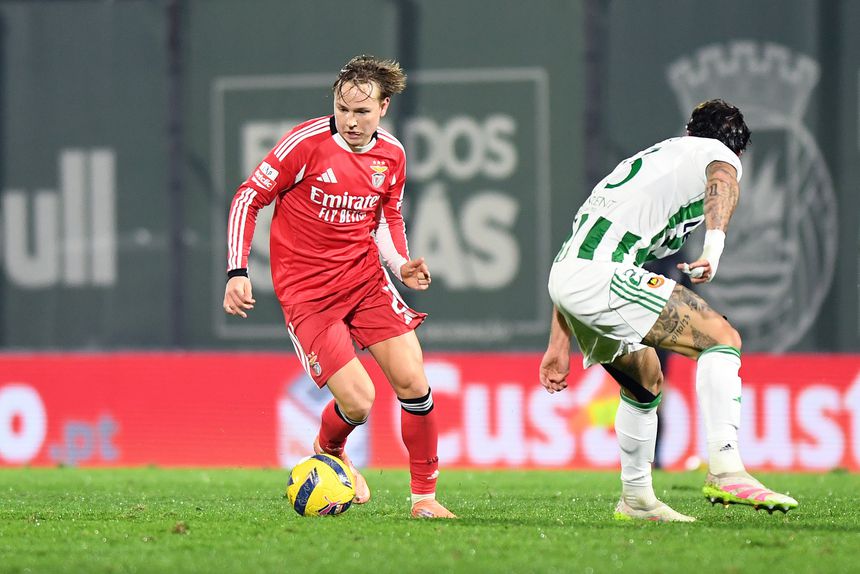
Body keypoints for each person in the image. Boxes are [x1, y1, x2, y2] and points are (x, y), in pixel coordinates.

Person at [539, 99, 798, 522]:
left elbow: (576, 248)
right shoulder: (716, 154)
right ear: (736, 148)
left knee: (646, 379)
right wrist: (714, 247)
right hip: (600, 275)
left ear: (688, 128)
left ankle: (637, 499)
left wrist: (557, 344)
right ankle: (727, 467)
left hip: (571, 278)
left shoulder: (650, 160)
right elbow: (722, 178)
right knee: (722, 339)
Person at [223, 55, 455, 519]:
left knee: (413, 381)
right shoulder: (305, 144)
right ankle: (329, 448)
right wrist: (237, 271)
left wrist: (401, 264)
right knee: (359, 400)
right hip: (308, 295)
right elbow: (249, 197)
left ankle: (424, 499)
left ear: (383, 107)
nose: (350, 120)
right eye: (343, 109)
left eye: (362, 112)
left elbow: (387, 215)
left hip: (365, 281)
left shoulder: (392, 154)